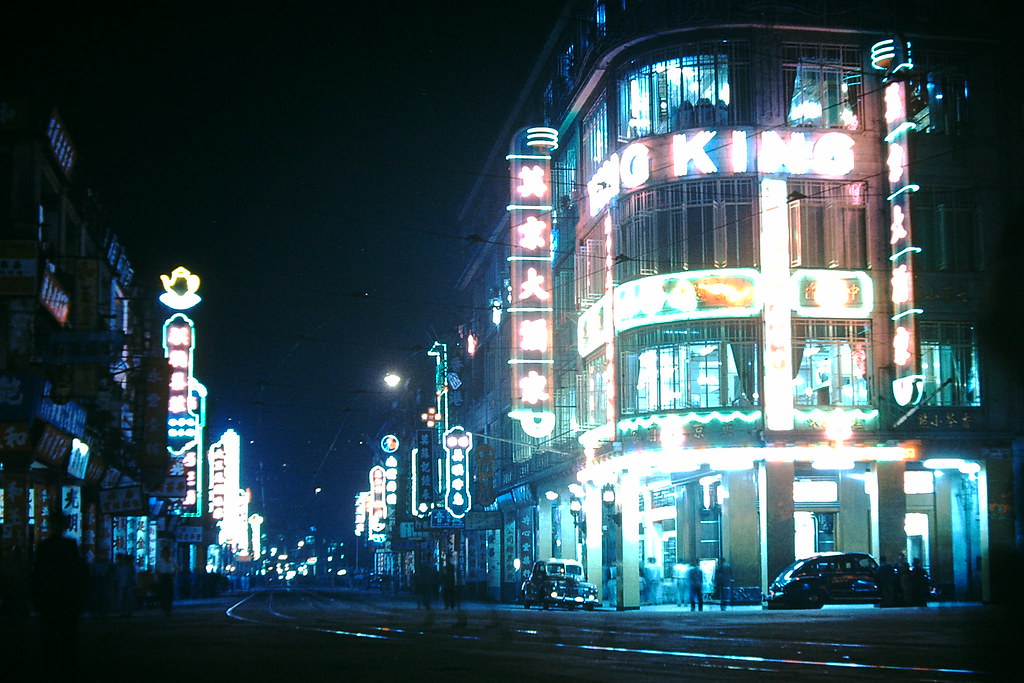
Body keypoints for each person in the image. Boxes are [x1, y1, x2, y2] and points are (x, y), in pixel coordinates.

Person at [30, 512, 89, 672]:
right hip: (66, 595)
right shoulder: (69, 545)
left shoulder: (45, 546)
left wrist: (36, 596)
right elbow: (79, 573)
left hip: (49, 595)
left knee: (49, 634)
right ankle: (67, 665)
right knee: (67, 633)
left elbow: (37, 574)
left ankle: (51, 665)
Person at [156, 545, 178, 616]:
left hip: (169, 578)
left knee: (169, 594)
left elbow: (176, 569)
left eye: (168, 553)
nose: (166, 554)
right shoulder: (160, 561)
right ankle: (163, 608)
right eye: (165, 553)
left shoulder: (172, 561)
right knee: (163, 594)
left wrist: (174, 575)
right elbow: (157, 571)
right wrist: (158, 579)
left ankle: (168, 609)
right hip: (163, 578)